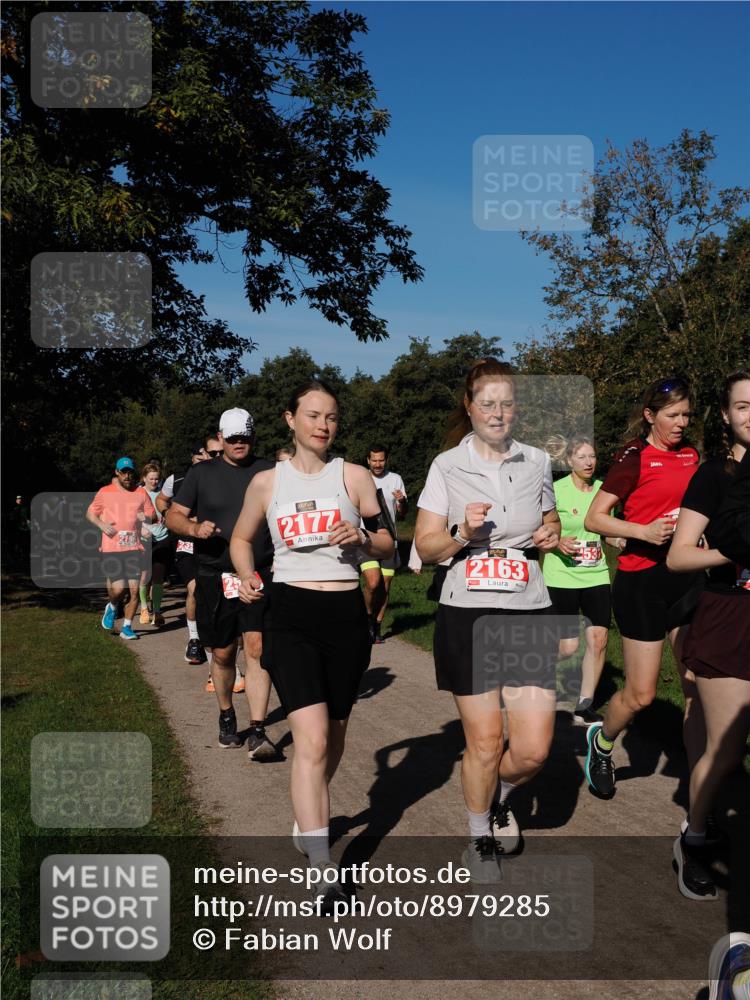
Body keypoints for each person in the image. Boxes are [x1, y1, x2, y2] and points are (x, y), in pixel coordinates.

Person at [230, 379, 393, 911]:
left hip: (345, 615)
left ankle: (309, 814)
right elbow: (240, 538)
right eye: (314, 415)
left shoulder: (354, 477)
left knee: (336, 739)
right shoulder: (265, 482)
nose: (324, 425)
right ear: (290, 419)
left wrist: (365, 539)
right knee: (313, 738)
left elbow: (391, 542)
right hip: (290, 613)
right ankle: (322, 867)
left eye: (332, 417)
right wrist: (248, 572)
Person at [415, 359, 561, 882]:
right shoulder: (446, 466)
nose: (498, 413)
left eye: (506, 403)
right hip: (468, 608)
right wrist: (460, 531)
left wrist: (550, 531)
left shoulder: (539, 460)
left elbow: (549, 518)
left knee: (534, 748)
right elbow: (426, 546)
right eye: (487, 403)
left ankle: (497, 798)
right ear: (469, 407)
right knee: (484, 740)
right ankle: (478, 836)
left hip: (528, 607)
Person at [583, 377, 703, 798]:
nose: (682, 423)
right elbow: (594, 519)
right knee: (642, 694)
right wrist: (643, 531)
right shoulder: (634, 458)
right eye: (673, 415)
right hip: (641, 582)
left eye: (687, 414)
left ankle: (698, 786)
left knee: (696, 684)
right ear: (651, 416)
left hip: (687, 578)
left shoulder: (692, 454)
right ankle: (601, 741)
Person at [667, 372, 750, 901]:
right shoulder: (713, 476)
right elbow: (678, 556)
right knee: (726, 747)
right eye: (743, 406)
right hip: (730, 612)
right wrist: (735, 552)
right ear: (725, 416)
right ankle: (693, 836)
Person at [166, 410, 277, 759]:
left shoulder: (270, 471)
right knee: (225, 653)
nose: (239, 443)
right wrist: (193, 529)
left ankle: (258, 729)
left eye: (244, 437)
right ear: (221, 437)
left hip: (261, 572)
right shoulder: (201, 474)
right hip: (216, 573)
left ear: (253, 436)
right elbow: (173, 514)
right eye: (232, 438)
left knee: (257, 649)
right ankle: (227, 715)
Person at [542, 435, 612, 725]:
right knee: (567, 646)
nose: (588, 462)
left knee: (598, 639)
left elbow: (607, 528)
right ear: (569, 461)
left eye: (592, 456)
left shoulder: (605, 492)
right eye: (582, 457)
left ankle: (585, 705)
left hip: (596, 573)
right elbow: (540, 530)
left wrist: (618, 538)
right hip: (561, 574)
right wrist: (557, 542)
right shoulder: (554, 491)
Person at [157, 437, 219, 668]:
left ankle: (218, 640)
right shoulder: (177, 479)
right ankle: (194, 638)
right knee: (194, 588)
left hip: (213, 542)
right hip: (186, 541)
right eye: (200, 455)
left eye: (208, 456)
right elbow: (162, 500)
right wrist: (168, 515)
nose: (204, 459)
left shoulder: (219, 477)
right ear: (192, 458)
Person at [86, 456, 155, 640]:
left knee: (133, 590)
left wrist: (146, 518)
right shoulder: (105, 492)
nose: (127, 476)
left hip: (133, 547)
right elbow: (90, 513)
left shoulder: (140, 492)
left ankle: (127, 627)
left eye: (130, 472)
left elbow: (152, 514)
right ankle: (112, 605)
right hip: (112, 548)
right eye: (123, 472)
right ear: (117, 472)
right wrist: (101, 525)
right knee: (118, 590)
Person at [359, 446, 407, 644]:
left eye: (381, 460)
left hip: (389, 539)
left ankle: (377, 625)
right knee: (373, 583)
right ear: (368, 461)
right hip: (367, 539)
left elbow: (402, 513)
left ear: (386, 460)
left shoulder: (395, 479)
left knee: (385, 586)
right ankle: (367, 619)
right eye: (374, 460)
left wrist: (402, 501)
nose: (378, 464)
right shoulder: (360, 478)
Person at [138, 463, 172, 627]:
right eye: (151, 478)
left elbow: (170, 512)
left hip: (162, 538)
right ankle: (144, 608)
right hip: (144, 539)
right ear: (144, 478)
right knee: (145, 576)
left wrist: (168, 518)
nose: (154, 481)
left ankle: (157, 612)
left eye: (157, 478)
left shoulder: (164, 494)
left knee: (158, 578)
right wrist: (142, 529)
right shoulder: (138, 493)